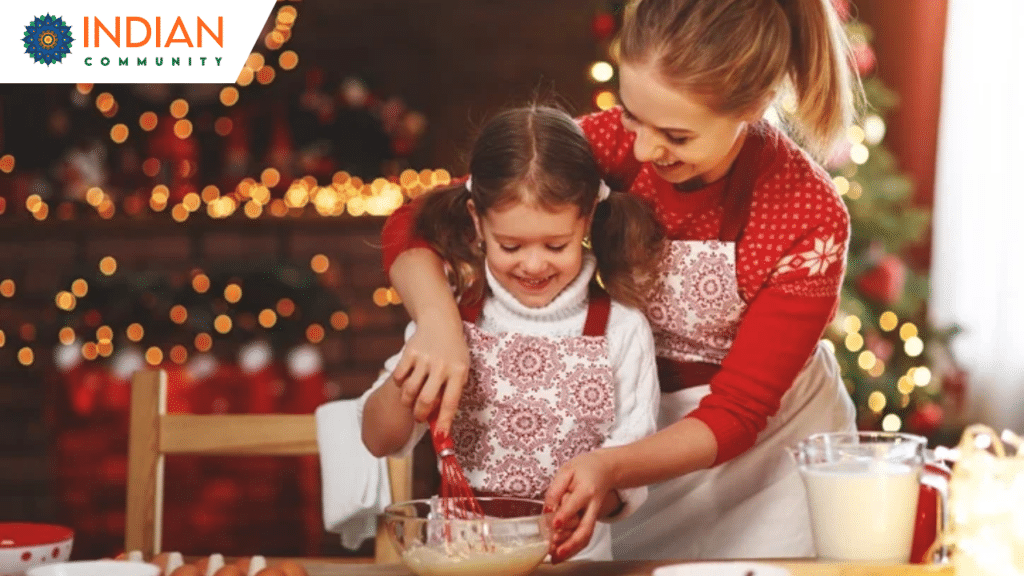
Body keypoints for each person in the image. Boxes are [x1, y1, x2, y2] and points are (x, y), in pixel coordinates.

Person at [379, 0, 863, 562]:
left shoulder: (807, 215)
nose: (641, 149)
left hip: (767, 464)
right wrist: (438, 326)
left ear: (752, 107)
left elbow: (737, 413)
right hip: (632, 436)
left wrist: (610, 465)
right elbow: (413, 224)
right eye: (632, 115)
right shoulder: (609, 142)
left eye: (676, 137)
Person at [359, 105, 664, 561]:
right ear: (477, 221)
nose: (534, 264)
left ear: (586, 218)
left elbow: (631, 470)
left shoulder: (620, 329)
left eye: (556, 245)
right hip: (462, 561)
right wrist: (411, 376)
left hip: (575, 566)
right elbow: (379, 439)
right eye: (511, 245)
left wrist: (598, 489)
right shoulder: (450, 320)